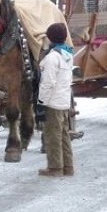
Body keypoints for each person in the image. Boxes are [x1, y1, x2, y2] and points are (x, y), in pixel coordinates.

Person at [37, 22, 75, 177]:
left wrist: (41, 103)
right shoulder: (67, 54)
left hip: (52, 102)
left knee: (52, 136)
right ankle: (68, 166)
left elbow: (47, 83)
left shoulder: (52, 58)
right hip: (64, 101)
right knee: (64, 135)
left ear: (50, 38)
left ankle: (55, 167)